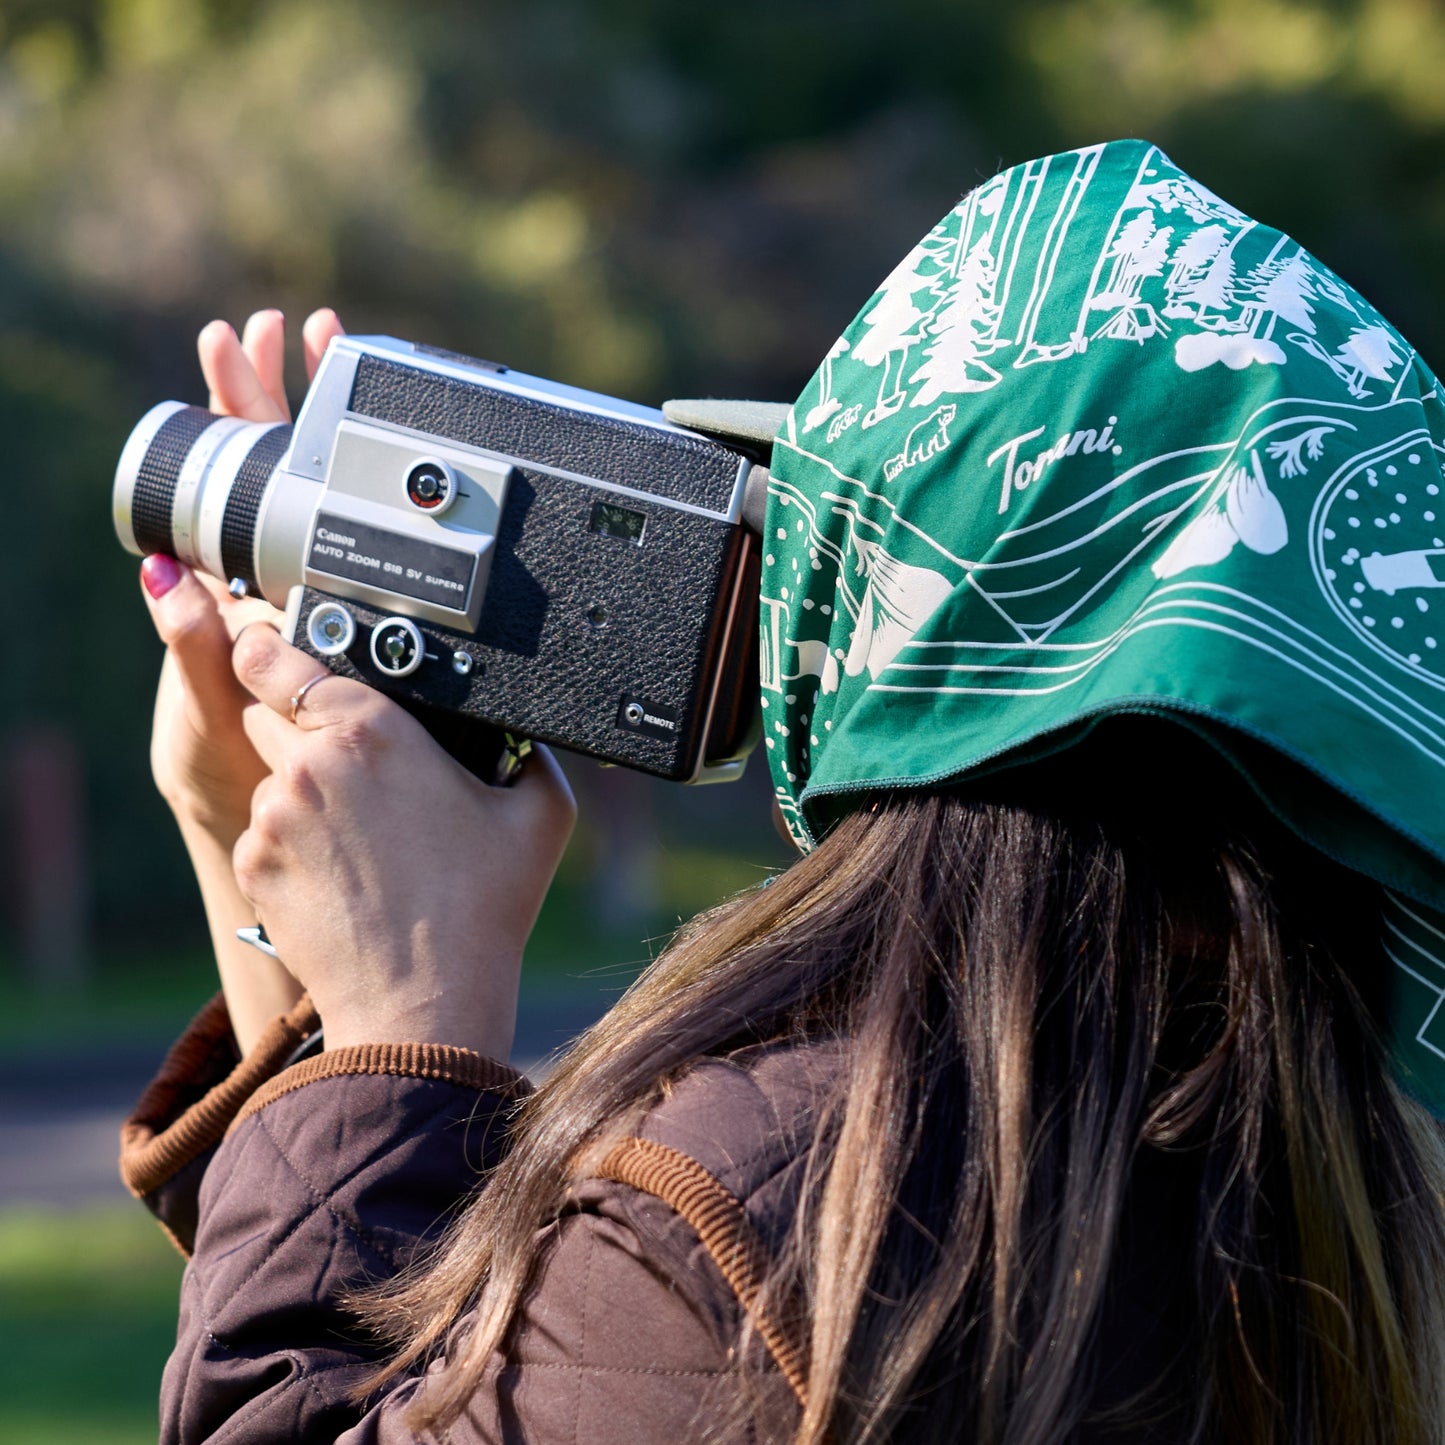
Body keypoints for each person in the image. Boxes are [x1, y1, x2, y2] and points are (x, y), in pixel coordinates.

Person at [122, 139, 1445, 1444]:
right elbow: (422, 1366)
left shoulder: (756, 1219)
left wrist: (404, 1010)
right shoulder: (1366, 1204)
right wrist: (254, 843)